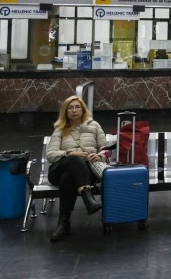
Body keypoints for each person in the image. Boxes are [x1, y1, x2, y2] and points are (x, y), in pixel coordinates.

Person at [46, 95, 106, 242]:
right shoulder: (60, 129)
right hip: (58, 169)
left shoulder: (94, 126)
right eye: (70, 108)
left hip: (85, 171)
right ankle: (88, 199)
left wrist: (99, 156)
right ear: (65, 112)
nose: (74, 110)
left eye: (77, 107)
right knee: (73, 159)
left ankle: (63, 223)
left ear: (83, 109)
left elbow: (105, 149)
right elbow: (50, 155)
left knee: (68, 178)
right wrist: (69, 153)